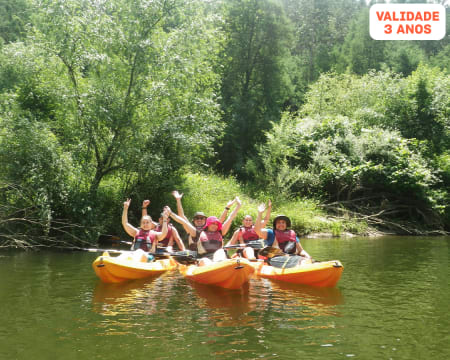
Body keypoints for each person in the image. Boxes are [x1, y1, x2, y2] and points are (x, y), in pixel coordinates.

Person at [165, 197, 242, 265]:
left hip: (218, 257)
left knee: (221, 252)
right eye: (213, 224)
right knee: (204, 261)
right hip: (204, 258)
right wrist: (171, 213)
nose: (215, 226)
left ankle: (219, 266)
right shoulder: (198, 233)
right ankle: (213, 268)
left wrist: (238, 206)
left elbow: (230, 218)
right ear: (208, 224)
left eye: (216, 224)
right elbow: (183, 221)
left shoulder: (220, 232)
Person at [171, 190, 237, 251]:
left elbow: (221, 220)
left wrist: (227, 207)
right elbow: (181, 216)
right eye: (197, 218)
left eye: (202, 218)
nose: (199, 220)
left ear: (206, 220)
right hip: (195, 256)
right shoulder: (191, 229)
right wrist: (178, 200)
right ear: (193, 220)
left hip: (212, 254)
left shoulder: (212, 228)